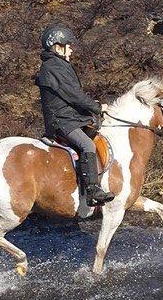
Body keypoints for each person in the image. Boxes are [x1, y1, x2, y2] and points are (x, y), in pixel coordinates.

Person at [34, 24, 114, 206]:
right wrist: (97, 107)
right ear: (57, 46)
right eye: (68, 45)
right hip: (62, 121)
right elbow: (74, 95)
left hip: (69, 118)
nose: (71, 49)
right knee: (87, 145)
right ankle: (93, 191)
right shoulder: (53, 67)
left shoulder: (58, 65)